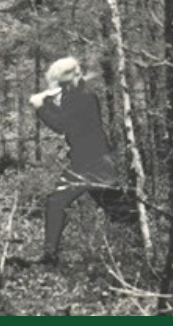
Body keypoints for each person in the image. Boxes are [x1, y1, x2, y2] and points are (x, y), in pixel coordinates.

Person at [29, 56, 138, 265]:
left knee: (122, 213)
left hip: (96, 163)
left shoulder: (85, 97)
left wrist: (41, 107)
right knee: (56, 203)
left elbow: (62, 125)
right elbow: (64, 115)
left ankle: (156, 242)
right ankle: (50, 255)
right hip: (83, 162)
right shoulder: (73, 94)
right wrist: (48, 100)